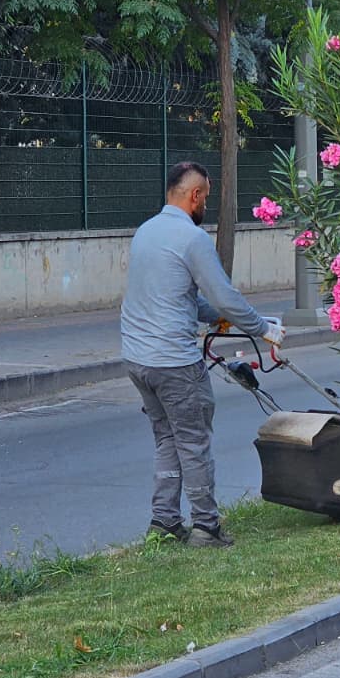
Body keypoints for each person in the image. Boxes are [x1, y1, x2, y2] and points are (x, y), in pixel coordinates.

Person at [121, 161, 286, 547]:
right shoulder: (192, 239)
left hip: (137, 360)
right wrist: (264, 329)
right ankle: (206, 527)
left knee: (168, 439)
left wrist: (229, 319)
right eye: (206, 198)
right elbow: (223, 296)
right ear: (194, 196)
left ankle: (163, 523)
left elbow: (186, 301)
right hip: (173, 362)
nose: (205, 206)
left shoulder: (145, 232)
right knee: (193, 442)